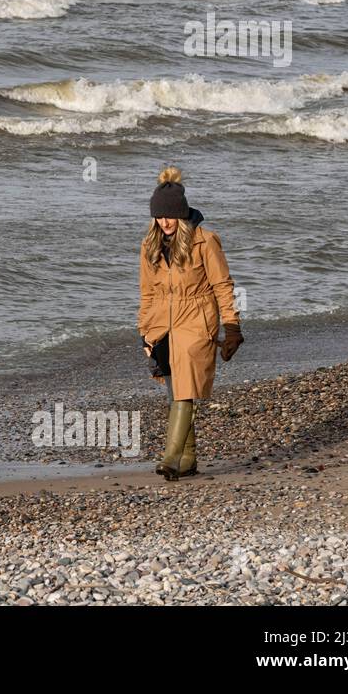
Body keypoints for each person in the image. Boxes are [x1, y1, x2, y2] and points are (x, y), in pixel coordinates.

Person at [137, 166, 243, 480]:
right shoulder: (149, 246)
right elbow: (147, 292)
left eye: (170, 216)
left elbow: (223, 285)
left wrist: (232, 326)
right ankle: (189, 460)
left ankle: (170, 460)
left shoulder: (205, 242)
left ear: (182, 215)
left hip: (197, 320)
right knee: (174, 392)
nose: (164, 222)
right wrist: (144, 332)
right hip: (162, 325)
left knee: (185, 392)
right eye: (159, 216)